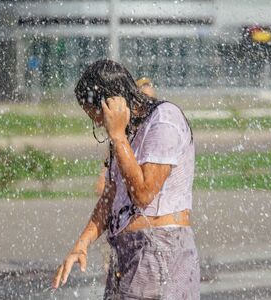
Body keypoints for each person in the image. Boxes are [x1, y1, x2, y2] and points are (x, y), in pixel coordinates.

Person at [52, 59, 199, 299]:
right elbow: (111, 196)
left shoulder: (164, 119)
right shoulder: (127, 133)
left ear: (112, 103)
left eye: (97, 116)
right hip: (127, 250)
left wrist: (118, 135)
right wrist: (82, 243)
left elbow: (143, 194)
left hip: (159, 247)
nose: (97, 123)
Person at [95, 76, 157, 196]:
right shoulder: (123, 133)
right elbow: (101, 187)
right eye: (143, 97)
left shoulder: (156, 131)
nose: (147, 104)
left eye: (151, 100)